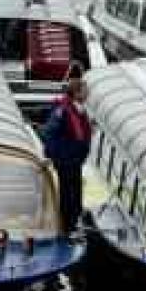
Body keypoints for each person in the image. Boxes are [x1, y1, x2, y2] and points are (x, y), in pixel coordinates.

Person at [42, 78, 93, 235]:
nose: (88, 93)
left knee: (75, 191)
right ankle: (67, 227)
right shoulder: (62, 111)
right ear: (77, 93)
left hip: (75, 160)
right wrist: (58, 156)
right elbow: (49, 134)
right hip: (66, 160)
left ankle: (74, 222)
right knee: (68, 193)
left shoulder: (78, 109)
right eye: (85, 90)